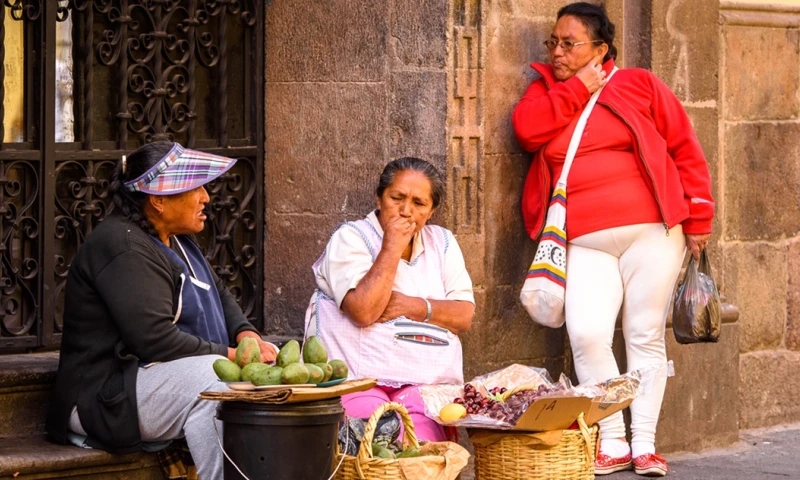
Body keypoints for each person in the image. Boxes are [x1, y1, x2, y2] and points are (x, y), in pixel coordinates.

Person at [512, 3, 713, 477]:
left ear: (600, 48)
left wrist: (700, 216)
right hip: (583, 238)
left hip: (654, 231)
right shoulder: (545, 92)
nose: (557, 52)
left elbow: (684, 146)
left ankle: (643, 442)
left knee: (642, 334)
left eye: (570, 43)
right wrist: (578, 87)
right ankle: (612, 438)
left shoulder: (638, 83)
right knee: (586, 333)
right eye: (553, 43)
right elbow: (526, 131)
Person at [46, 142, 278, 479]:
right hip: (105, 396)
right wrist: (231, 354)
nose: (206, 198)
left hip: (153, 381)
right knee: (215, 382)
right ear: (158, 199)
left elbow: (220, 293)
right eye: (195, 188)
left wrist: (246, 334)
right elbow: (153, 339)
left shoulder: (180, 240)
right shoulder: (122, 245)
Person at [304, 157, 475, 441]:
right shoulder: (351, 238)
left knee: (421, 446)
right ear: (379, 199)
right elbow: (363, 311)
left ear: (431, 210)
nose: (406, 211)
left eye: (419, 204)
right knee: (377, 442)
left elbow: (463, 316)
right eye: (397, 198)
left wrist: (414, 306)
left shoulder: (442, 243)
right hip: (357, 383)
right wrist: (392, 246)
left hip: (426, 386)